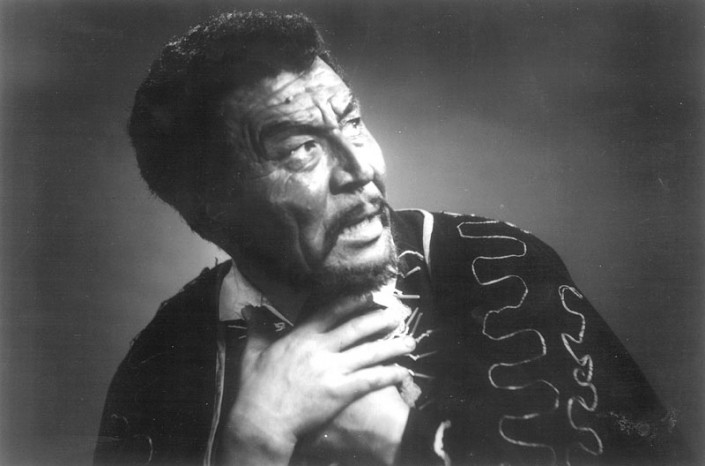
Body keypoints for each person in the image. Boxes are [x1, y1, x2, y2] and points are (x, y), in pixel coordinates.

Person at [94, 10, 687, 466]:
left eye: (352, 121)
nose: (362, 168)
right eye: (302, 148)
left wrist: (395, 439)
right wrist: (254, 440)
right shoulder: (162, 362)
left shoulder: (499, 267)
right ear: (211, 212)